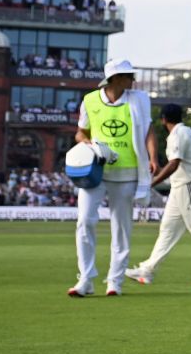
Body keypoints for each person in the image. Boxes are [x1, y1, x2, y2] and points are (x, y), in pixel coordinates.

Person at [67, 59, 156, 297]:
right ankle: (85, 279)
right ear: (114, 78)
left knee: (121, 229)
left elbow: (148, 130)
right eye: (128, 75)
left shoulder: (138, 99)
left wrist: (153, 157)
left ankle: (114, 280)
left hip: (127, 174)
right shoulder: (90, 100)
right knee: (84, 221)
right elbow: (81, 132)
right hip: (95, 171)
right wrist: (84, 142)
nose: (132, 80)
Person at [127, 102, 191, 288]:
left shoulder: (179, 134)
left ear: (164, 119)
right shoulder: (183, 132)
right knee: (167, 229)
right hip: (179, 187)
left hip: (189, 185)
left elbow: (174, 163)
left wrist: (152, 183)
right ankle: (148, 270)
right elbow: (175, 166)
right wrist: (160, 174)